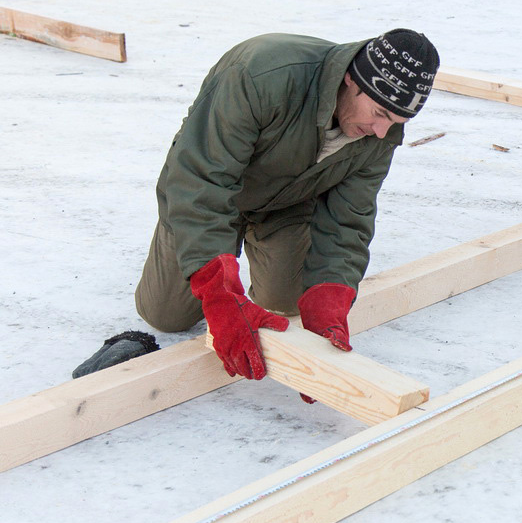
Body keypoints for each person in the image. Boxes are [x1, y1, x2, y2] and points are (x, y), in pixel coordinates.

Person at [77, 29, 439, 381]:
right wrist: (220, 294)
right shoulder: (262, 74)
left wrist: (330, 299)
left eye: (395, 121)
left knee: (288, 304)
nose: (381, 131)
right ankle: (212, 256)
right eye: (378, 113)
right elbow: (201, 180)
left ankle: (270, 254)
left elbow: (348, 218)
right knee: (164, 314)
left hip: (287, 205)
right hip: (214, 194)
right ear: (351, 81)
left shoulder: (382, 133)